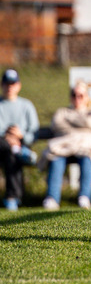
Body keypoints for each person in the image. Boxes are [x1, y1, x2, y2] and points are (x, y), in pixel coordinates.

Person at [42, 81, 91, 210]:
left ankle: (84, 197)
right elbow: (57, 124)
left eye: (81, 95)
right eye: (74, 95)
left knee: (88, 159)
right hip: (63, 146)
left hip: (85, 147)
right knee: (56, 160)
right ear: (71, 97)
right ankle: (52, 198)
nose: (77, 98)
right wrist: (80, 124)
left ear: (87, 97)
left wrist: (70, 120)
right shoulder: (62, 111)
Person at [0, 68, 39, 211]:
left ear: (18, 86)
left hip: (18, 145)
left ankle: (12, 198)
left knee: (11, 156)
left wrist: (21, 135)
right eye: (6, 84)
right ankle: (17, 150)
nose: (9, 87)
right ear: (2, 85)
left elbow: (34, 132)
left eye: (12, 84)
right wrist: (7, 137)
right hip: (3, 144)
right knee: (10, 149)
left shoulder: (26, 106)